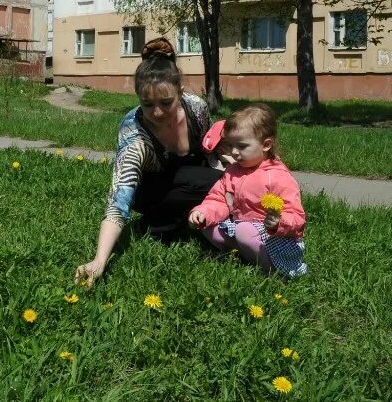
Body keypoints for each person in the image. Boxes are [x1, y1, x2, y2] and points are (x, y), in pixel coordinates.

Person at [75, 37, 223, 287]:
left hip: (191, 178)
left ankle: (181, 225)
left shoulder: (196, 109)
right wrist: (98, 261)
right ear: (138, 98)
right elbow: (118, 200)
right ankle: (159, 224)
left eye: (166, 103)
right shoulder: (134, 134)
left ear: (181, 91)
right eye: (147, 104)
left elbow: (211, 152)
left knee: (225, 181)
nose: (157, 113)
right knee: (213, 184)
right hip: (151, 192)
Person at [188, 104, 308, 278]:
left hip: (275, 237)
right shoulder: (232, 172)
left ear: (266, 145)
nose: (234, 153)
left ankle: (273, 271)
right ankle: (240, 255)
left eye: (242, 146)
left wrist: (278, 223)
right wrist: (203, 212)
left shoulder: (277, 176)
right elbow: (218, 199)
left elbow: (296, 216)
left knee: (244, 231)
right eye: (231, 145)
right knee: (209, 225)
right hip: (241, 228)